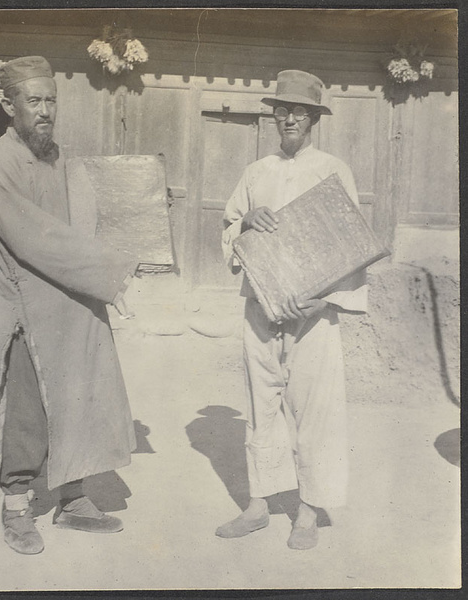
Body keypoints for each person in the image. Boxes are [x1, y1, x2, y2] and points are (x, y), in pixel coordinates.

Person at [0, 56, 140, 555]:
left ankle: (72, 500)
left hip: (70, 300)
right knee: (27, 409)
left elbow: (85, 215)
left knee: (79, 396)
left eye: (51, 101)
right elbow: (35, 239)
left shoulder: (59, 158)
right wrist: (110, 268)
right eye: (34, 101)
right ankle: (17, 510)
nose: (45, 111)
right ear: (9, 105)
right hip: (24, 309)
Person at [217, 70, 368, 550]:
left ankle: (307, 511)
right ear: (273, 117)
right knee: (261, 405)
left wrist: (323, 299)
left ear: (314, 119)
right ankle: (259, 504)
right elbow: (229, 229)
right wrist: (245, 224)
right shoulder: (256, 172)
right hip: (260, 306)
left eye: (300, 111)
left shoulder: (332, 169)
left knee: (313, 409)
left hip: (314, 313)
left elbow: (352, 243)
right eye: (281, 111)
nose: (289, 119)